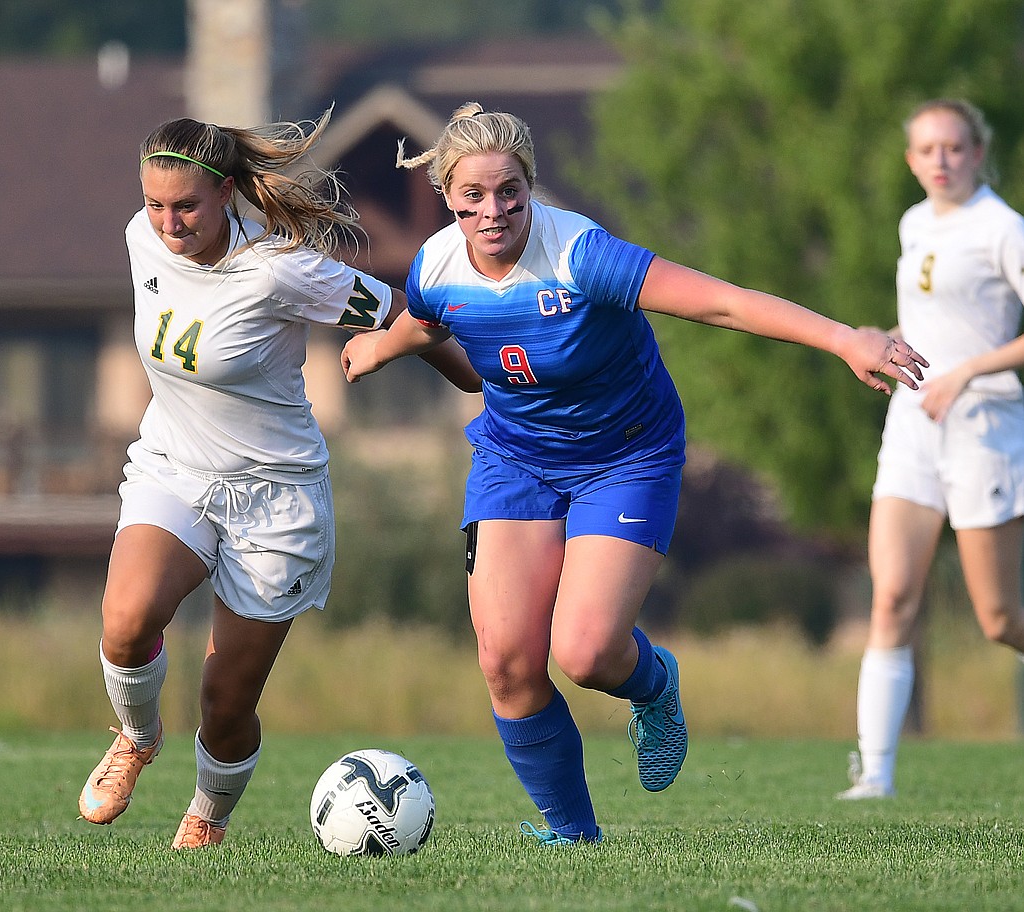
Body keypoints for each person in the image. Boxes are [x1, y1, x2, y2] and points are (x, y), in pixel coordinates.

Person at [340, 102, 927, 844]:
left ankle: (655, 687)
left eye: (510, 193)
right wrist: (383, 347)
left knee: (584, 652)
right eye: (473, 200)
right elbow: (432, 324)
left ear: (531, 185)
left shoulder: (582, 255)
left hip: (626, 456)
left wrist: (845, 338)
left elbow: (722, 304)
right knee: (507, 662)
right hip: (516, 460)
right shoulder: (434, 265)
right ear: (450, 200)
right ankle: (573, 837)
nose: (493, 213)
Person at [77, 110, 479, 849]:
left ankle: (208, 817)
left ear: (226, 192)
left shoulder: (281, 268)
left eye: (187, 206)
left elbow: (403, 311)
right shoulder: (143, 238)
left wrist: (477, 385)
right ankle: (135, 739)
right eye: (156, 204)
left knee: (225, 701)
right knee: (127, 622)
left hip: (277, 501)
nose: (169, 222)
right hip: (177, 470)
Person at [837, 99, 1024, 800]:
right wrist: (881, 340)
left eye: (953, 147)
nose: (940, 160)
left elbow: (989, 341)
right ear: (911, 160)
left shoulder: (1003, 229)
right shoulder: (915, 222)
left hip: (985, 431)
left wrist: (968, 371)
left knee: (1000, 620)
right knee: (890, 596)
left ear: (977, 152)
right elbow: (930, 318)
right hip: (914, 428)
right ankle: (874, 774)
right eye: (926, 149)